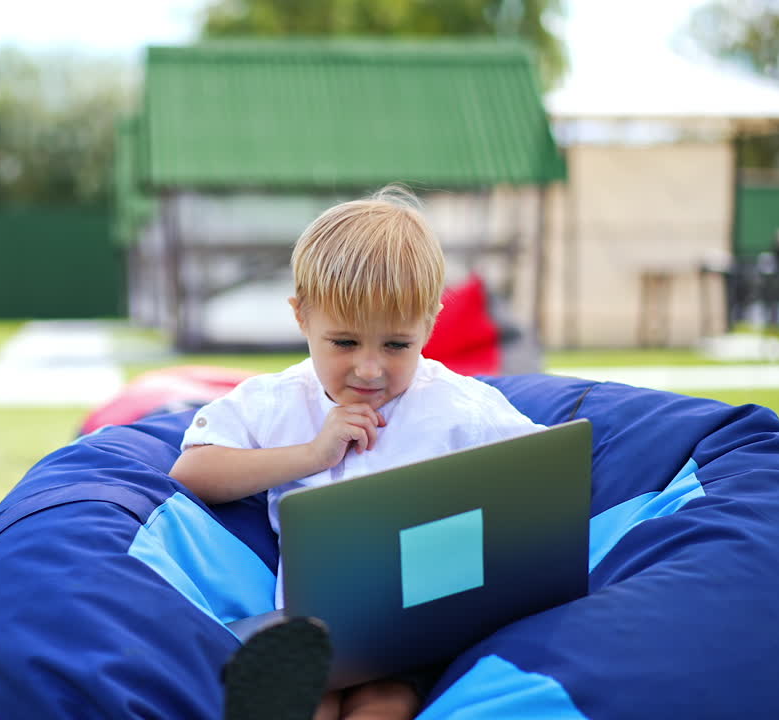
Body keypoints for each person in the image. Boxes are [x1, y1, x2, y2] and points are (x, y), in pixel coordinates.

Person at [169, 185, 544, 720]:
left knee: (384, 703)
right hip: (311, 634)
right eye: (344, 343)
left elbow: (542, 474)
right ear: (302, 317)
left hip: (414, 626)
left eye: (396, 345)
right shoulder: (275, 401)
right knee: (309, 704)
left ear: (430, 323)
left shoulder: (461, 406)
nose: (369, 369)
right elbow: (195, 470)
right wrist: (312, 454)